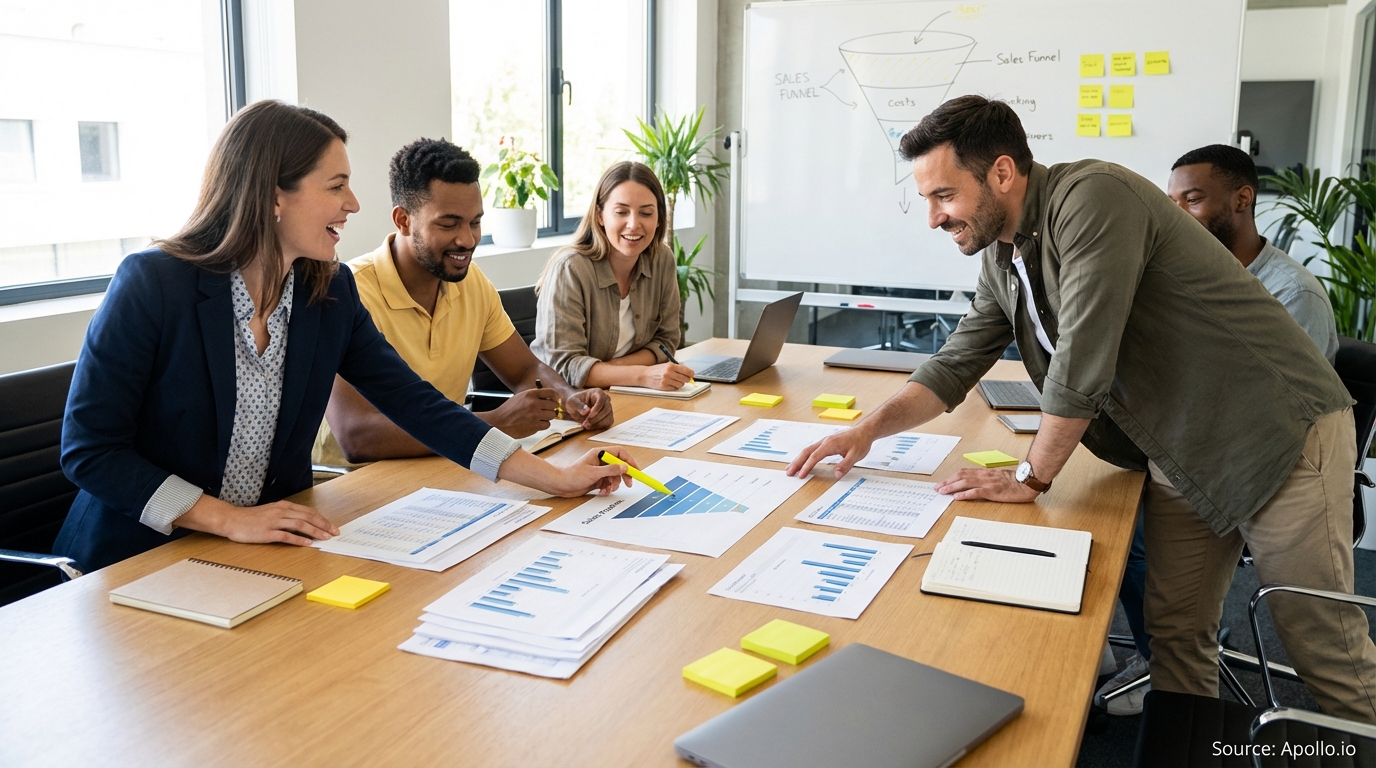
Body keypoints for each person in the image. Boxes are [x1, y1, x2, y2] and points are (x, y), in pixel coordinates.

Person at [787, 95, 1376, 723]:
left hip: (1275, 433)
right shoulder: (1003, 253)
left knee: (1323, 650)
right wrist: (864, 432)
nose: (933, 217)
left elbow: (1083, 355)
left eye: (943, 196)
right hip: (1180, 449)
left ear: (1003, 173)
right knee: (1176, 640)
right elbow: (958, 360)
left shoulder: (1092, 198)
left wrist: (1030, 476)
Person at [55, 100, 637, 572]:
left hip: (263, 550)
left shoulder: (327, 292)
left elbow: (421, 407)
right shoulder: (155, 284)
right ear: (273, 195)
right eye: (336, 186)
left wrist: (553, 480)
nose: (353, 205)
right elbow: (91, 449)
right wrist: (226, 518)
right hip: (136, 558)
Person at [314, 138, 613, 467]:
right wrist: (494, 422)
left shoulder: (471, 283)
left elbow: (526, 369)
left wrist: (571, 400)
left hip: (444, 466)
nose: (468, 239)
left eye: (475, 222)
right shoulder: (347, 291)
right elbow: (358, 436)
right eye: (449, 223)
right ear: (403, 220)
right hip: (352, 484)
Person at [531, 161, 694, 391]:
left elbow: (666, 341)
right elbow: (565, 366)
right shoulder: (570, 268)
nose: (634, 224)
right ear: (600, 215)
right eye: (621, 212)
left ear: (659, 218)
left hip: (625, 393)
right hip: (568, 404)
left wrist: (614, 370)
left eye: (646, 213)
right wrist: (641, 376)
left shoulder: (661, 259)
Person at [1169, 143, 1339, 362]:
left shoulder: (1294, 294)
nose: (1177, 215)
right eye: (1172, 203)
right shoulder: (1187, 277)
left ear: (1242, 199)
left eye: (1192, 200)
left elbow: (1290, 392)